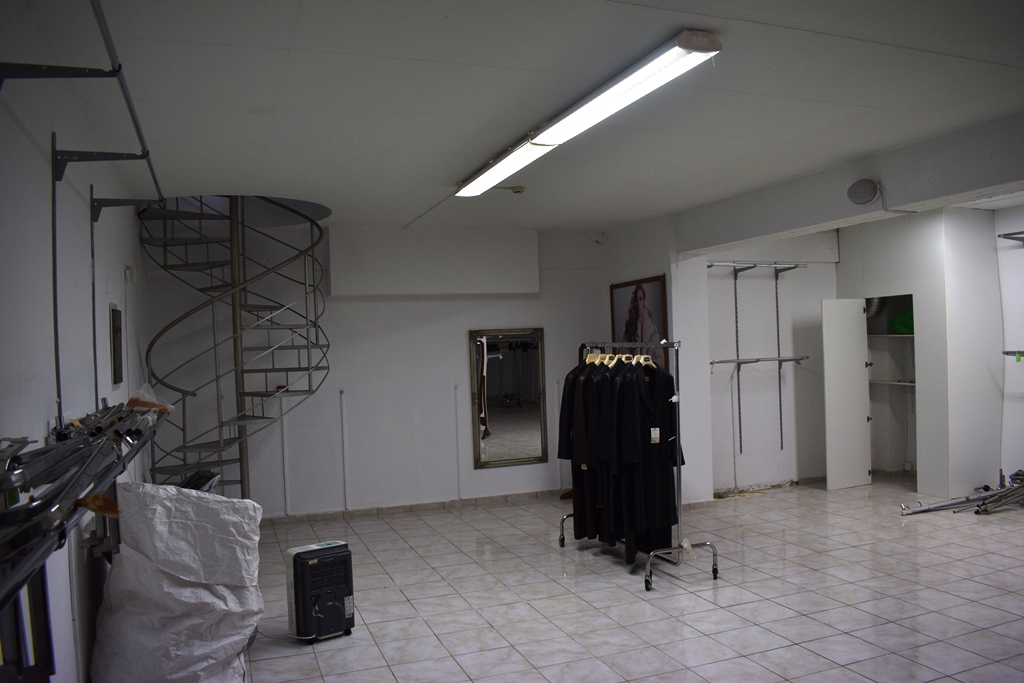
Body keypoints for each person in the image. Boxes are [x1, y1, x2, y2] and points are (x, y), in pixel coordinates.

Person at [621, 284, 661, 363]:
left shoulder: (651, 329)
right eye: (636, 300)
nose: (638, 303)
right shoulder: (629, 326)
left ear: (644, 301)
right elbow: (623, 356)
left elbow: (660, 359)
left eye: (640, 299)